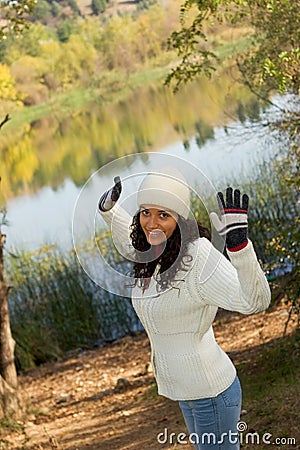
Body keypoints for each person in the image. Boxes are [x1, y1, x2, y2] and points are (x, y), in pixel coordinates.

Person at [98, 168, 271, 450]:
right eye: (145, 212)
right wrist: (110, 211)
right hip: (188, 392)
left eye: (164, 214)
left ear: (181, 218)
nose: (152, 223)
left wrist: (239, 248)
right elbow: (129, 240)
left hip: (211, 392)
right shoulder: (154, 253)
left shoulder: (198, 256)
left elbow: (256, 302)